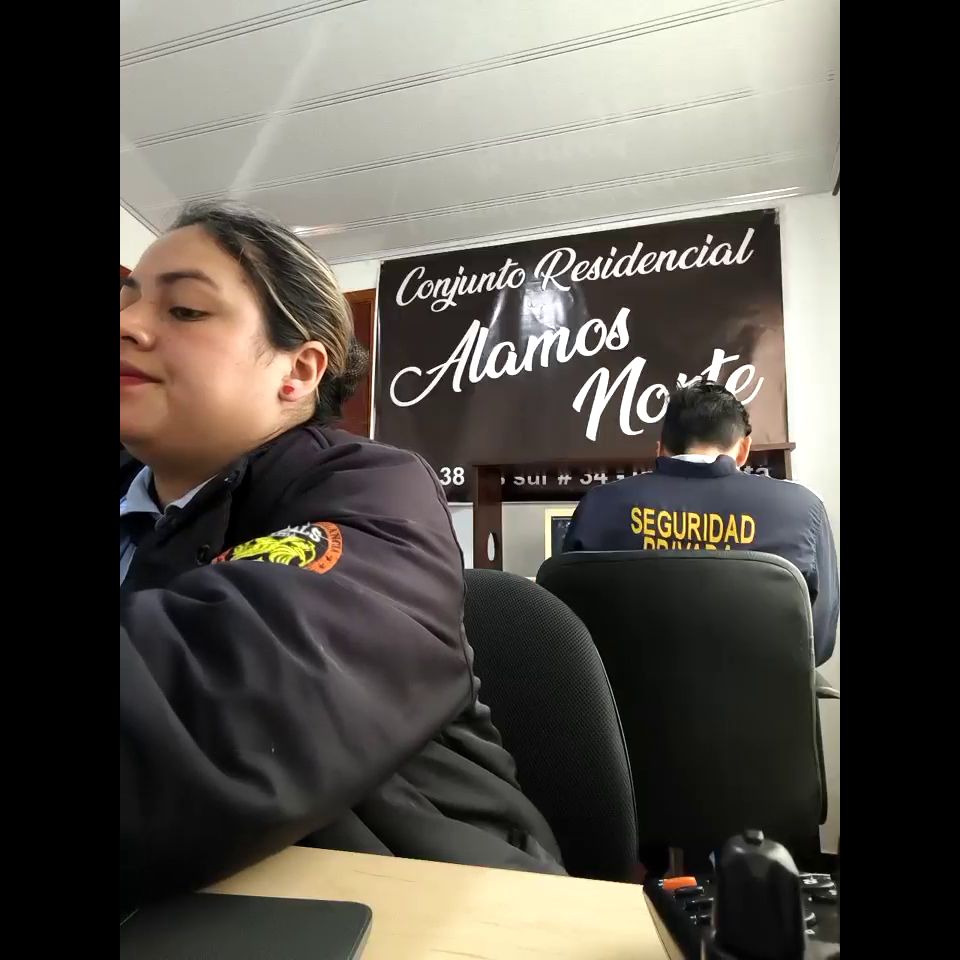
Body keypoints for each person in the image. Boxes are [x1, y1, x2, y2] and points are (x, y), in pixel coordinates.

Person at [120, 202, 564, 906]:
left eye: (185, 311)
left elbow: (219, 718)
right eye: (127, 300)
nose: (129, 324)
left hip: (426, 907)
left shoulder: (375, 490)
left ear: (298, 371)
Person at [562, 380, 839, 665]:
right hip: (762, 692)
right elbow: (817, 643)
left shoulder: (599, 505)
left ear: (660, 449)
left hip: (617, 692)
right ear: (743, 449)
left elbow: (566, 626)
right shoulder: (802, 509)